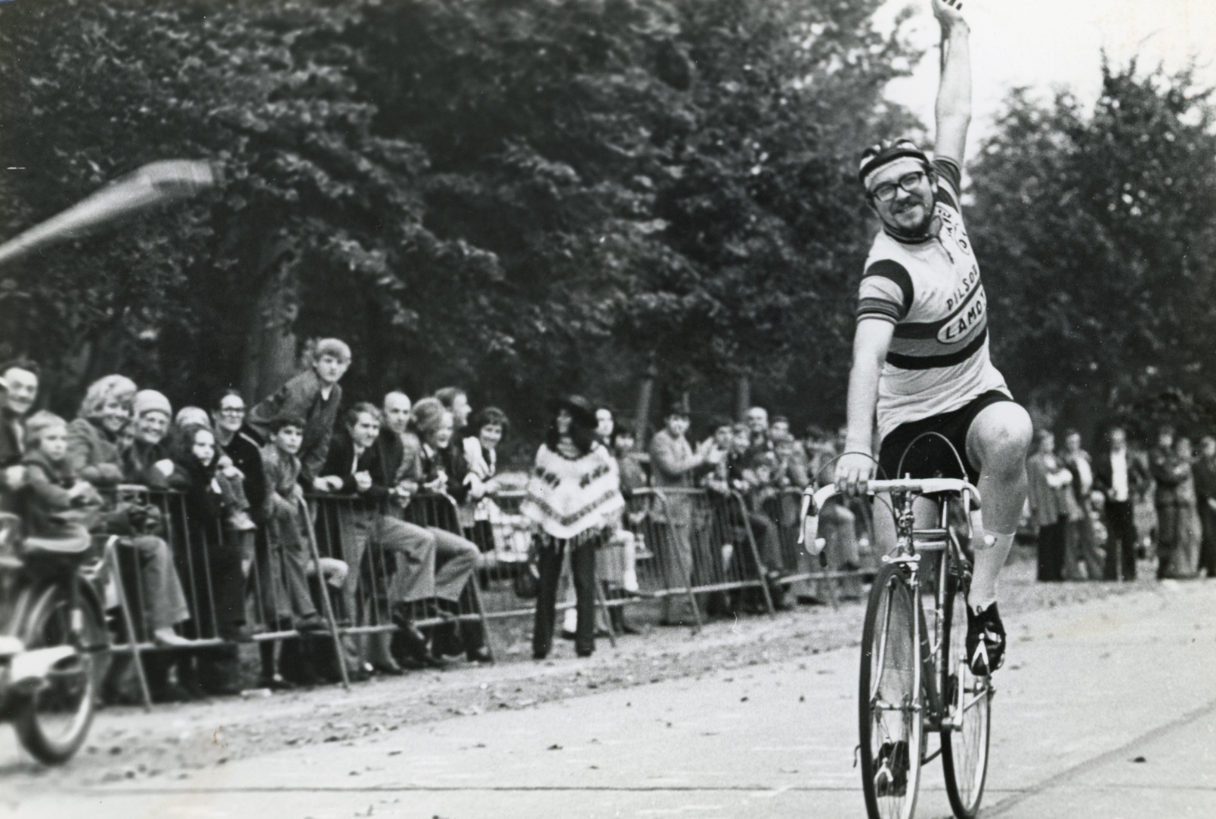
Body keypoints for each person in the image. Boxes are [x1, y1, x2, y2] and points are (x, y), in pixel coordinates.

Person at [833, 0, 1033, 678]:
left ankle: (982, 597)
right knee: (899, 576)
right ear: (875, 205)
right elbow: (867, 356)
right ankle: (893, 729)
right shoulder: (887, 270)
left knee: (1013, 432)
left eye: (911, 179)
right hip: (908, 415)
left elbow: (954, 114)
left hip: (974, 390)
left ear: (928, 178)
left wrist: (960, 35)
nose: (904, 194)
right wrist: (857, 446)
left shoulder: (945, 199)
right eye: (886, 190)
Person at [66, 375, 193, 654]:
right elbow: (74, 471)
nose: (119, 414)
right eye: (113, 406)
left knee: (156, 545)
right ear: (98, 404)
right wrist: (110, 474)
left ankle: (163, 626)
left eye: (124, 409)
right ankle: (158, 628)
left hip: (107, 522)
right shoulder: (81, 429)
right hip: (85, 523)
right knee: (151, 549)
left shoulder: (113, 440)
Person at [522, 395, 624, 659]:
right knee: (547, 583)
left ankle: (585, 643)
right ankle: (541, 645)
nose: (562, 420)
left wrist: (604, 518)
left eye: (568, 415)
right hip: (549, 524)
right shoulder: (547, 449)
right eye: (559, 415)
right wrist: (535, 515)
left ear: (578, 420)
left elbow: (604, 485)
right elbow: (541, 483)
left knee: (584, 581)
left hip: (586, 524)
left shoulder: (595, 451)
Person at [166, 423, 250, 694]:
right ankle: (231, 623)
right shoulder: (189, 471)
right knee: (228, 560)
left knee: (199, 612)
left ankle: (202, 677)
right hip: (185, 548)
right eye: (199, 445)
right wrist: (217, 497)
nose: (205, 451)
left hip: (198, 548)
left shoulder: (205, 473)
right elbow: (209, 511)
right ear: (188, 447)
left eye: (209, 445)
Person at [401, 398, 485, 662]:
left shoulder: (440, 453)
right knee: (466, 551)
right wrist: (427, 488)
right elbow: (406, 482)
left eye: (449, 428)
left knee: (468, 552)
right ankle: (430, 603)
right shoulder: (414, 448)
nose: (445, 433)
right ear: (426, 427)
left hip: (432, 524)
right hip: (414, 522)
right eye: (440, 427)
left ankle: (435, 598)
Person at [246, 338, 350, 492]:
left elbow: (324, 437)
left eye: (339, 362)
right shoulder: (304, 387)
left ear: (346, 367)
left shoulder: (336, 392)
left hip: (288, 451)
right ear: (315, 362)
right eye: (328, 361)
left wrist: (307, 477)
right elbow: (286, 430)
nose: (333, 367)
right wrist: (293, 478)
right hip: (259, 441)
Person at [648, 400, 718, 624]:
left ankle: (677, 611)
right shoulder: (661, 439)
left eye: (684, 420)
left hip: (684, 506)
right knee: (677, 560)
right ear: (667, 420)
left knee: (684, 560)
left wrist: (705, 462)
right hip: (670, 506)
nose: (679, 424)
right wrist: (701, 457)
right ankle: (674, 614)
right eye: (675, 418)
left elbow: (689, 469)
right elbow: (673, 468)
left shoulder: (682, 441)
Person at [18, 411, 102, 542]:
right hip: (38, 525)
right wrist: (72, 493)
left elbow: (74, 482)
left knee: (98, 517)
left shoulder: (62, 462)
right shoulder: (33, 464)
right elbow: (45, 490)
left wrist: (86, 493)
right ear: (35, 442)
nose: (59, 445)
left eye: (63, 439)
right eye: (51, 438)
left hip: (58, 517)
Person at [1093, 425, 1148, 580]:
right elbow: (1096, 480)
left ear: (1124, 442)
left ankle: (1129, 574)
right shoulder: (1104, 459)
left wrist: (1136, 491)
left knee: (1128, 538)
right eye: (1114, 440)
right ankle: (1110, 575)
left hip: (1127, 501)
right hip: (1111, 502)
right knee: (1110, 538)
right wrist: (1106, 490)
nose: (1117, 443)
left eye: (1120, 440)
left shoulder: (1132, 457)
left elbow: (1146, 478)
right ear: (1110, 442)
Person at [461, 406, 509, 553]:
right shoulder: (471, 446)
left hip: (474, 512)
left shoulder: (491, 453)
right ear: (479, 430)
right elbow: (472, 484)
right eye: (488, 429)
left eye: (497, 431)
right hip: (462, 509)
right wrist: (488, 486)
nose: (492, 436)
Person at [1026, 430, 1071, 582]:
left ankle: (1059, 572)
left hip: (1059, 504)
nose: (1050, 445)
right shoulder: (1033, 461)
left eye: (1052, 442)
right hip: (1044, 505)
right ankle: (1046, 574)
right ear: (1040, 444)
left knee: (1059, 538)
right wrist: (1033, 506)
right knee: (1046, 539)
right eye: (1047, 442)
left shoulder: (1056, 459)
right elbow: (1031, 485)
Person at [1061, 429, 1104, 580]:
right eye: (1071, 442)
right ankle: (1073, 572)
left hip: (1085, 498)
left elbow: (1091, 477)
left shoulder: (1085, 457)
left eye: (1076, 442)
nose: (1074, 445)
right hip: (1071, 499)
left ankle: (1095, 571)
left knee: (1090, 535)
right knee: (1071, 537)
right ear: (1066, 444)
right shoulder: (1063, 459)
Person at [1150, 426, 1189, 580]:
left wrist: (1174, 472)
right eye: (1163, 436)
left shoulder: (1172, 454)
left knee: (1175, 535)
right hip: (1164, 499)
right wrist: (1175, 473)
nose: (1165, 439)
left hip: (1176, 499)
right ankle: (1163, 569)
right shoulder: (1155, 454)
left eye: (1168, 437)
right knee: (1166, 535)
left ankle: (1170, 567)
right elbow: (1165, 476)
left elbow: (1184, 472)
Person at [0, 360, 40, 509]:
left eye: (30, 389)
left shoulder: (32, 429)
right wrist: (3, 478)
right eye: (16, 386)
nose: (23, 394)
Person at [1168, 436, 1201, 578]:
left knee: (1195, 535)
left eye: (1187, 449)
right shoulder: (1176, 465)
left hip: (1194, 505)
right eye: (1181, 449)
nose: (1184, 452)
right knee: (1181, 536)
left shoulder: (1193, 465)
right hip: (1181, 505)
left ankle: (1192, 567)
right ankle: (1182, 569)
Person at [1192, 435, 1216, 578]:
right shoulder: (1197, 465)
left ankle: (1209, 566)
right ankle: (1208, 567)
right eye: (1208, 447)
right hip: (1205, 503)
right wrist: (1210, 500)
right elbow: (1199, 486)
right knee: (1208, 534)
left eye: (1213, 447)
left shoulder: (1214, 464)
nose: (1211, 450)